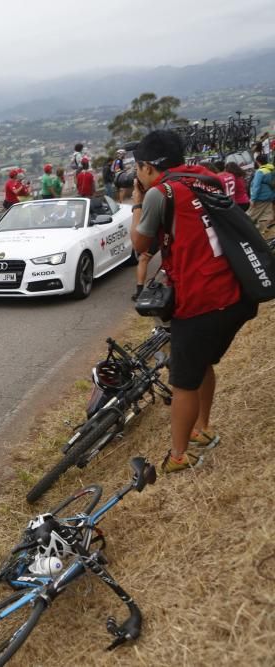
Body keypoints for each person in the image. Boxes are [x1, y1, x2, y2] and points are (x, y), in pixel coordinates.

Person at [129, 129, 257, 474]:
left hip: (200, 299)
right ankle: (202, 428)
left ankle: (178, 455)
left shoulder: (161, 192)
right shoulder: (206, 179)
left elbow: (139, 246)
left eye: (137, 166)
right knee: (202, 364)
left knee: (183, 379)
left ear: (146, 166)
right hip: (235, 293)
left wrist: (137, 201)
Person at [247, 159, 274, 232]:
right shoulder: (271, 169)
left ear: (258, 162)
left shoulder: (260, 171)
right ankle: (262, 232)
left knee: (250, 215)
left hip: (260, 197)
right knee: (265, 216)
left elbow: (256, 186)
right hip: (270, 196)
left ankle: (243, 231)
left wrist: (253, 199)